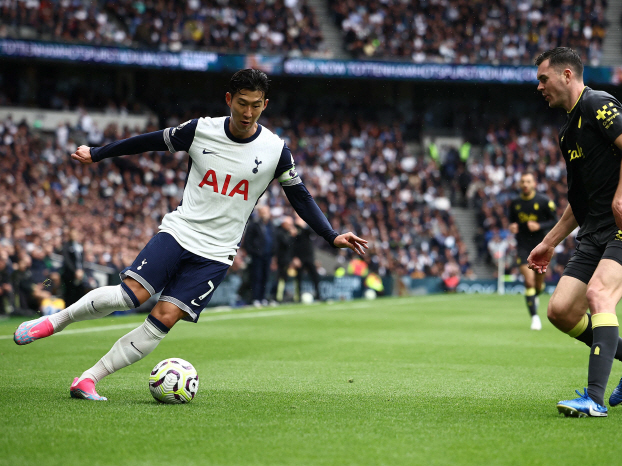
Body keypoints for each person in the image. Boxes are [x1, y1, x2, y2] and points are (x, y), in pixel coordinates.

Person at [13, 69, 369, 401]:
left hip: (217, 252)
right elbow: (148, 141)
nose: (248, 112)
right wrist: (99, 153)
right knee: (130, 294)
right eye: (242, 103)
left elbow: (300, 197)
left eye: (256, 105)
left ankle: (89, 378)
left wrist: (331, 235)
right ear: (229, 99)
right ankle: (53, 321)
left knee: (165, 318)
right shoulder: (201, 130)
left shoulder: (276, 151)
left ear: (265, 105)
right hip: (180, 231)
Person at [529, 47, 622, 417]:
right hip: (597, 229)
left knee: (598, 294)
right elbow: (582, 201)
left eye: (544, 79)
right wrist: (548, 243)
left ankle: (593, 398)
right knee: (560, 310)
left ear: (567, 75)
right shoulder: (566, 133)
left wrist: (621, 202)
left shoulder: (598, 103)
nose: (539, 86)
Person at [508, 172, 557, 330]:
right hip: (522, 246)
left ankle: (535, 295)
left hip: (540, 246)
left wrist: (539, 226)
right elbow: (512, 221)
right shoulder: (515, 203)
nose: (525, 184)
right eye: (522, 181)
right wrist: (512, 226)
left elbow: (556, 221)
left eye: (528, 181)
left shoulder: (543, 201)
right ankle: (535, 317)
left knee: (538, 285)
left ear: (534, 184)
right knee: (529, 282)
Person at [243, 205, 275, 307]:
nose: (264, 214)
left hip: (268, 255)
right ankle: (256, 298)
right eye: (263, 212)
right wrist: (253, 252)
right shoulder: (254, 225)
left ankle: (263, 297)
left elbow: (273, 240)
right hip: (257, 256)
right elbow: (247, 241)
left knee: (266, 277)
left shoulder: (271, 225)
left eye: (266, 212)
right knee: (256, 277)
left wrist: (274, 254)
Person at [292, 213, 321, 300]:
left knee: (314, 276)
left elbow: (312, 234)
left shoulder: (306, 227)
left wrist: (304, 226)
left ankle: (318, 295)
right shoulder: (293, 228)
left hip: (309, 256)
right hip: (299, 257)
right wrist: (294, 257)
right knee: (299, 277)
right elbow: (292, 244)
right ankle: (298, 296)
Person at [61, 228, 85, 307]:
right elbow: (67, 261)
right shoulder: (66, 246)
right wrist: (75, 271)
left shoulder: (79, 246)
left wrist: (81, 270)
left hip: (80, 274)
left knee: (79, 293)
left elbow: (82, 260)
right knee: (69, 294)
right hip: (70, 274)